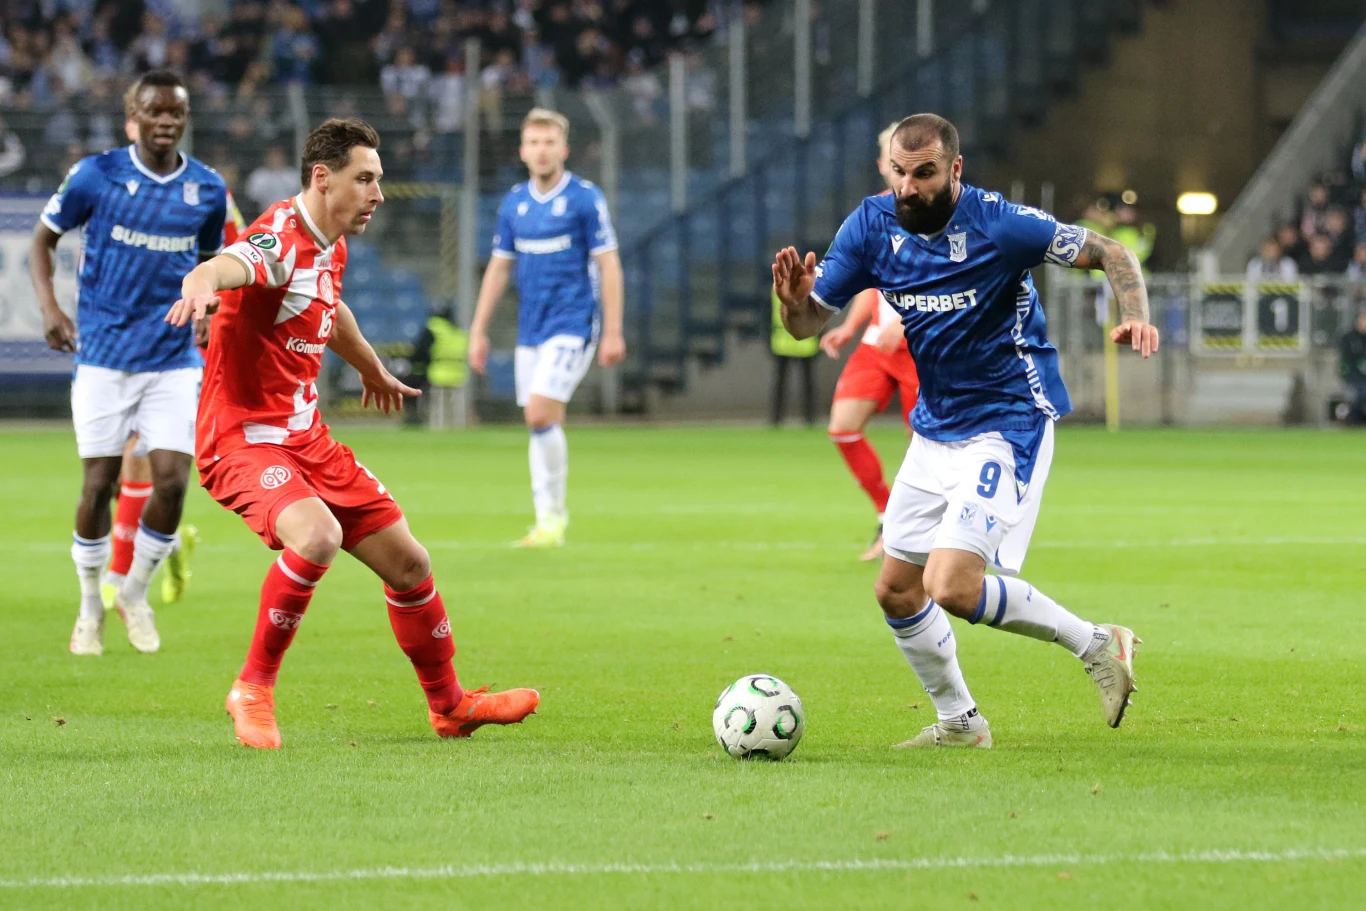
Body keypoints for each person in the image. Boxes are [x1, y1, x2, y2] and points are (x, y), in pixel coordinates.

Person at [771, 113, 1159, 748]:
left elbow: (1111, 252)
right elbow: (808, 325)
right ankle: (960, 723)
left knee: (949, 585)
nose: (908, 186)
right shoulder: (870, 225)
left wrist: (1135, 316)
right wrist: (794, 303)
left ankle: (1097, 644)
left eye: (923, 173)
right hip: (936, 430)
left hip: (1008, 421)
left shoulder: (1000, 224)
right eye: (899, 171)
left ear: (953, 170)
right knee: (896, 591)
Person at [165, 118, 540, 750]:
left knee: (411, 564)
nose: (378, 193)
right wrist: (200, 285)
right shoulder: (281, 237)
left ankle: (449, 707)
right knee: (317, 536)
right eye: (365, 179)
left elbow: (329, 308)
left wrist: (371, 366)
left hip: (307, 438)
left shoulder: (330, 243)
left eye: (379, 179)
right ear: (322, 178)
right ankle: (251, 688)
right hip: (243, 438)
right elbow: (229, 265)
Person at [31, 69, 228, 657]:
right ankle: (91, 603)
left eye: (176, 113)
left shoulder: (207, 189)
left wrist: (208, 307)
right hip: (104, 357)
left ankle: (134, 592)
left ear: (185, 119)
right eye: (154, 112)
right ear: (132, 119)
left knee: (171, 483)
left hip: (172, 359)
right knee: (98, 485)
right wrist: (52, 310)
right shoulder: (98, 175)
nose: (165, 121)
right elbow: (41, 241)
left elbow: (212, 262)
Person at [98, 94, 252, 613]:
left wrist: (213, 319)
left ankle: (119, 579)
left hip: (176, 347)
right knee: (122, 469)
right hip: (121, 345)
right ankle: (167, 546)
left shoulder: (207, 194)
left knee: (137, 457)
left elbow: (239, 258)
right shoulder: (118, 191)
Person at [467, 108, 626, 548]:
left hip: (573, 322)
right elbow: (499, 269)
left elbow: (608, 264)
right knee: (540, 421)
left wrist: (613, 331)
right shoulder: (514, 203)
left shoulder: (584, 198)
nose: (541, 150)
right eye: (533, 143)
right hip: (531, 328)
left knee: (539, 411)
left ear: (564, 149)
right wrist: (478, 330)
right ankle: (548, 523)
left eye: (549, 142)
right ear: (522, 150)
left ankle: (553, 518)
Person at [818, 122, 921, 561]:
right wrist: (851, 325)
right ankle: (887, 515)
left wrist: (911, 317)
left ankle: (932, 533)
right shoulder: (874, 214)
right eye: (894, 163)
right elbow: (871, 280)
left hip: (922, 347)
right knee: (842, 426)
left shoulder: (938, 214)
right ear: (883, 165)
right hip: (877, 344)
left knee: (927, 445)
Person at [769, 287, 819, 425]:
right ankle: (778, 418)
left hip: (794, 342)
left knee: (802, 384)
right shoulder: (810, 287)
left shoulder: (777, 288)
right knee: (787, 384)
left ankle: (807, 418)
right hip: (792, 342)